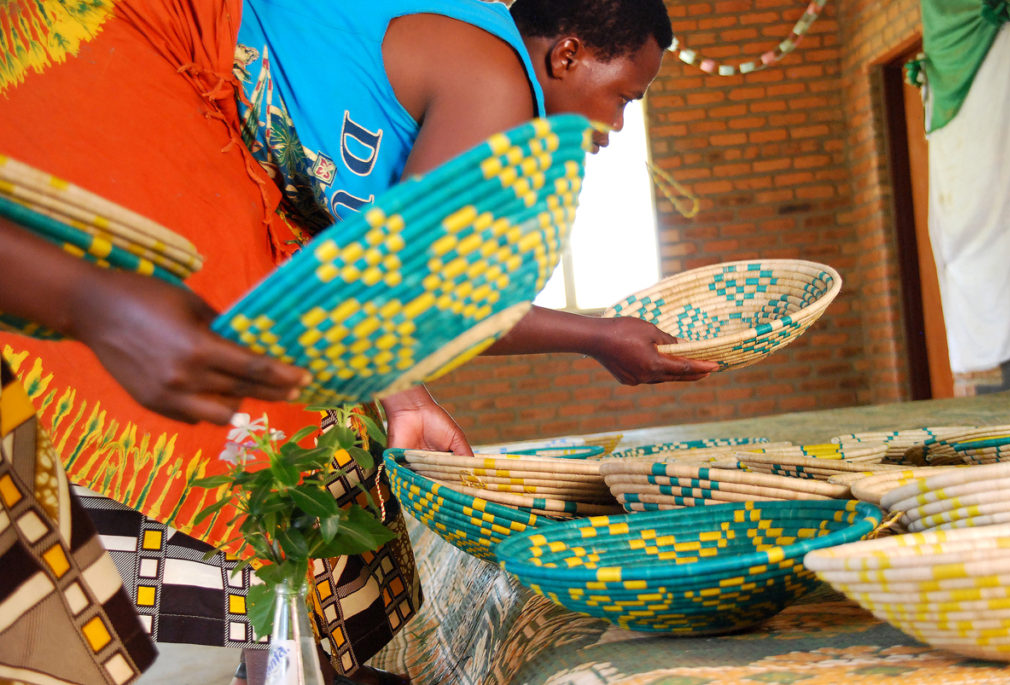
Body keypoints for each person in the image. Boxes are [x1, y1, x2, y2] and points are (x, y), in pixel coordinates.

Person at [0, 0, 708, 684]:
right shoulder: (499, 87)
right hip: (156, 59)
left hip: (182, 84)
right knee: (252, 400)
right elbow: (422, 298)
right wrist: (599, 335)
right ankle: (228, 652)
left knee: (326, 412)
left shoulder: (480, 52)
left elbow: (381, 289)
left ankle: (305, 660)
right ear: (567, 54)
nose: (615, 124)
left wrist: (406, 390)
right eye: (624, 96)